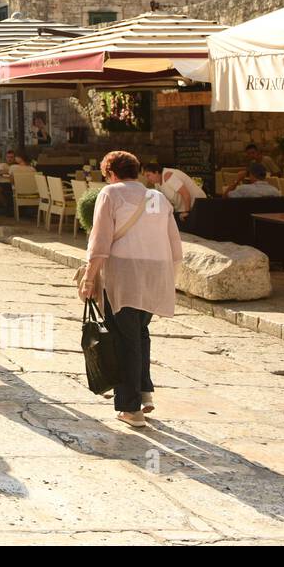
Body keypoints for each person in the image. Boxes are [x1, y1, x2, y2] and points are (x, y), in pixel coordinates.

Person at [79, 150, 180, 429]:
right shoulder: (157, 197)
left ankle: (130, 407)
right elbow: (174, 243)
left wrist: (89, 278)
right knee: (140, 333)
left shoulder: (111, 195)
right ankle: (143, 391)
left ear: (111, 173)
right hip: (155, 274)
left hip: (124, 274)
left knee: (125, 340)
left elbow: (100, 241)